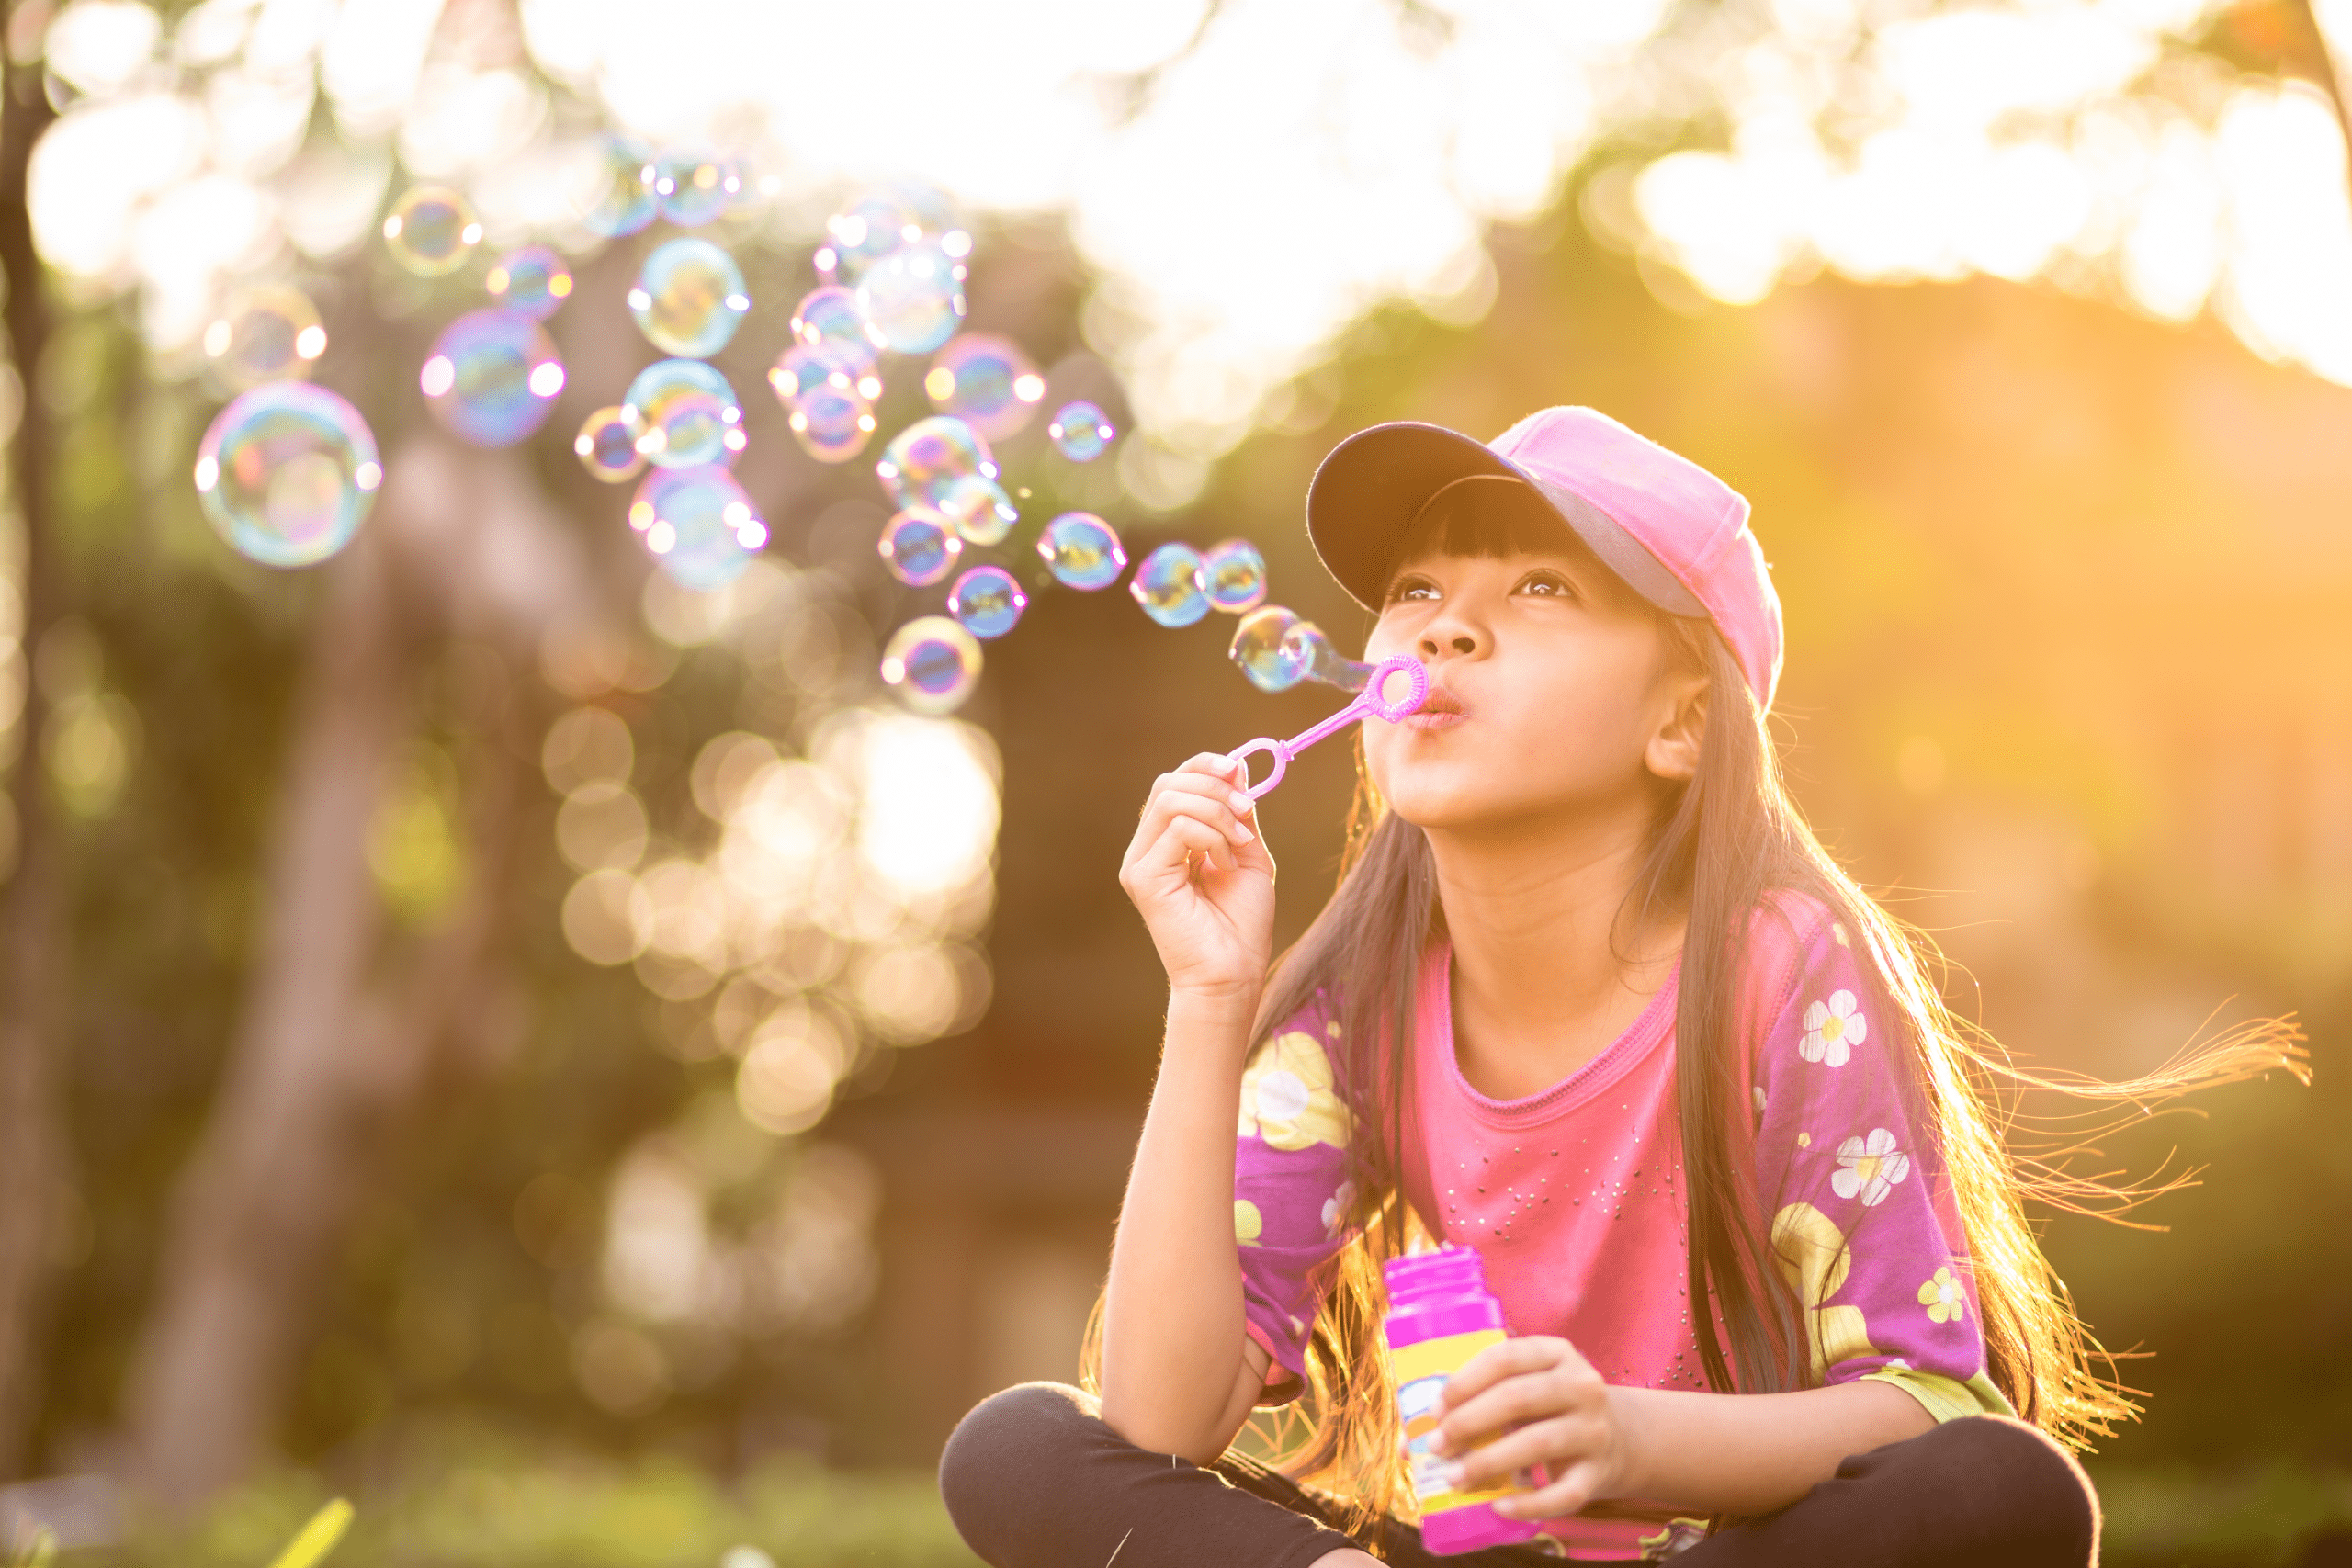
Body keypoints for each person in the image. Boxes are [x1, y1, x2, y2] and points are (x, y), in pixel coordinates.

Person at [937, 408, 2303, 1565]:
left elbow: (1930, 1408)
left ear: (1681, 720)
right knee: (1014, 1447)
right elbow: (1164, 1419)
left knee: (2007, 1490)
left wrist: (1622, 1436)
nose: (1446, 630)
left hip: (1710, 1546)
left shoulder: (1781, 972)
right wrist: (1209, 998)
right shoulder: (1354, 1005)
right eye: (1417, 590)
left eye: (1539, 588)